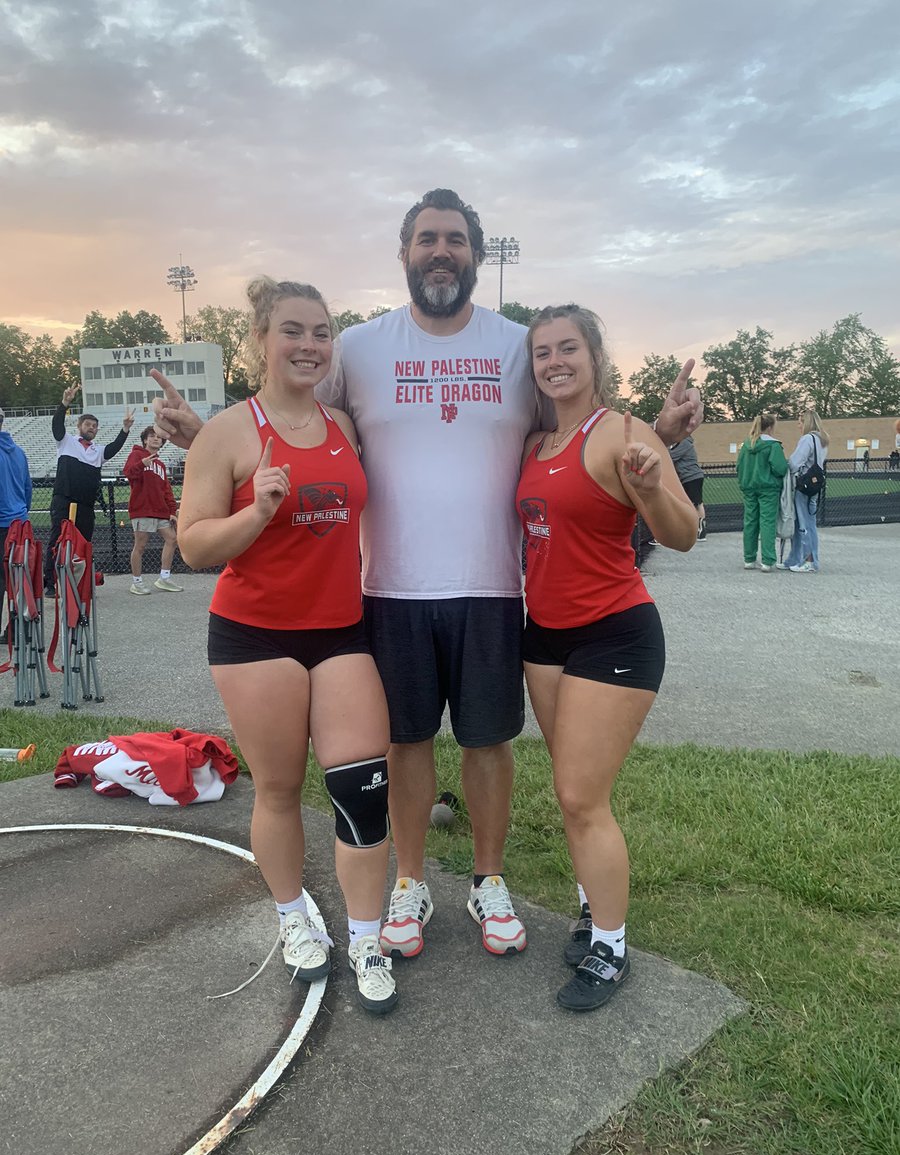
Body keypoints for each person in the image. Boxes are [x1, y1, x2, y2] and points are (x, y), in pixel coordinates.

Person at [153, 188, 703, 965]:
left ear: (476, 253)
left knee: (488, 741)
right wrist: (207, 436)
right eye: (426, 239)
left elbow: (578, 422)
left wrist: (662, 432)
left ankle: (488, 879)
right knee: (404, 740)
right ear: (405, 253)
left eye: (454, 239)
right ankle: (410, 881)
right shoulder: (360, 348)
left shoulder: (517, 345)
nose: (440, 252)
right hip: (390, 588)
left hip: (491, 586)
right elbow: (288, 413)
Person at [176, 276, 397, 1014]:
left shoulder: (344, 426)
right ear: (261, 340)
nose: (309, 345)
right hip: (256, 636)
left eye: (321, 333)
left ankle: (366, 937)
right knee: (277, 789)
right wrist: (258, 513)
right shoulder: (227, 433)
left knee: (363, 788)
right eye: (293, 331)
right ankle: (293, 915)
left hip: (341, 631)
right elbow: (195, 545)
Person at [517, 305, 696, 1010]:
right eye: (542, 352)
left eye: (568, 348)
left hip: (615, 634)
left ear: (594, 356)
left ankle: (611, 949)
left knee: (580, 797)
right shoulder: (535, 442)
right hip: (544, 637)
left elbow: (683, 534)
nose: (555, 361)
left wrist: (651, 487)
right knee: (573, 791)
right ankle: (594, 907)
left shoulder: (624, 432)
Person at [43, 385, 133, 593]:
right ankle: (51, 583)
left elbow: (114, 447)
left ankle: (80, 582)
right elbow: (57, 426)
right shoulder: (66, 441)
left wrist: (125, 429)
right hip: (64, 499)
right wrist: (64, 403)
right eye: (88, 424)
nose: (91, 428)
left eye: (94, 426)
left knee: (84, 543)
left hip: (86, 505)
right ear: (79, 426)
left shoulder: (97, 451)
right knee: (57, 539)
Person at [123, 427, 182, 595]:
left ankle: (164, 578)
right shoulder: (136, 455)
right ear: (145, 440)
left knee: (172, 539)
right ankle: (137, 582)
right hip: (142, 509)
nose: (156, 439)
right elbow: (128, 473)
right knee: (140, 546)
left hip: (160, 510)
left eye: (159, 437)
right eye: (152, 436)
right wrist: (142, 464)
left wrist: (172, 511)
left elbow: (166, 490)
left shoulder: (160, 464)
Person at [736, 413, 788, 572]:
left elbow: (739, 466)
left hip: (749, 487)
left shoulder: (746, 445)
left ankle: (749, 559)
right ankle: (768, 560)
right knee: (767, 523)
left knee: (750, 522)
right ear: (770, 427)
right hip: (768, 488)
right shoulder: (773, 446)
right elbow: (780, 468)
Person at [780, 409, 829, 574]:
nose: (798, 425)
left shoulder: (807, 439)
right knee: (807, 522)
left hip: (803, 486)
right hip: (814, 486)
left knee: (803, 524)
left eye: (800, 422)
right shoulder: (822, 440)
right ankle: (797, 559)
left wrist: (786, 465)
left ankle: (808, 560)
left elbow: (795, 462)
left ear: (807, 422)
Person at [0, 407, 33, 621]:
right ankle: (16, 629)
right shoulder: (19, 452)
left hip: (2, 523)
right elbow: (27, 488)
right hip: (19, 523)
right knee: (17, 579)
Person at [668, 433, 706, 541]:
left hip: (692, 477)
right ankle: (693, 529)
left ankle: (701, 530)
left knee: (697, 503)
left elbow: (671, 456)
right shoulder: (681, 443)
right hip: (686, 478)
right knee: (691, 503)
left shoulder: (685, 443)